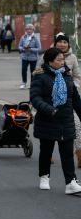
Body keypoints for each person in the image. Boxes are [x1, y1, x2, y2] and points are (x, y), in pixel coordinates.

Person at [30, 47, 81, 194]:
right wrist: (48, 109)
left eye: (63, 59)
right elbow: (35, 97)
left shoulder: (67, 75)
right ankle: (44, 177)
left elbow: (76, 100)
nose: (62, 62)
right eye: (59, 59)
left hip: (66, 120)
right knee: (46, 151)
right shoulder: (40, 76)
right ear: (50, 61)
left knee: (67, 153)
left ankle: (70, 182)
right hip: (48, 119)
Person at [37, 34, 81, 167]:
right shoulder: (47, 56)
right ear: (55, 44)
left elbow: (77, 76)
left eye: (65, 42)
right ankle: (47, 155)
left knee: (77, 126)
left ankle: (79, 155)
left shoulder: (72, 58)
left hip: (68, 100)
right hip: (48, 100)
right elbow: (38, 73)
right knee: (48, 129)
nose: (62, 44)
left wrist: (71, 87)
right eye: (60, 42)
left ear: (68, 44)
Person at [18, 24, 41, 89]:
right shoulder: (23, 37)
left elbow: (39, 48)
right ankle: (24, 83)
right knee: (23, 70)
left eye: (30, 29)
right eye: (27, 29)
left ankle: (32, 84)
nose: (29, 31)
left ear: (33, 30)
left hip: (33, 58)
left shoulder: (35, 38)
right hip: (24, 57)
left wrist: (31, 49)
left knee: (32, 71)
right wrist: (23, 48)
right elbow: (19, 46)